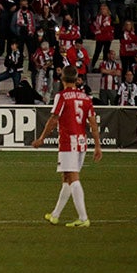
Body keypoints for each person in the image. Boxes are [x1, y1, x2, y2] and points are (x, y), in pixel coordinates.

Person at [32, 66, 102, 228]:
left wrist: (42, 138)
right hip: (81, 142)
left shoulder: (62, 96)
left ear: (62, 79)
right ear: (76, 78)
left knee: (73, 178)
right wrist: (97, 146)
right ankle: (55, 215)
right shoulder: (86, 97)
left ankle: (83, 218)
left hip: (68, 142)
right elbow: (93, 123)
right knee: (66, 178)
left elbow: (54, 119)